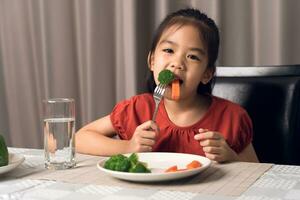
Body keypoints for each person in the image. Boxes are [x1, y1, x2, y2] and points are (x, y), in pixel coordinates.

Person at [76, 8, 259, 163]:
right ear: (152, 61)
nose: (177, 63)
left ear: (206, 74)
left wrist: (232, 158)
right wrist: (128, 146)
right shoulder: (136, 110)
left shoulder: (232, 118)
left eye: (193, 57)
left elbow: (258, 174)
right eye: (169, 50)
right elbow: (79, 139)